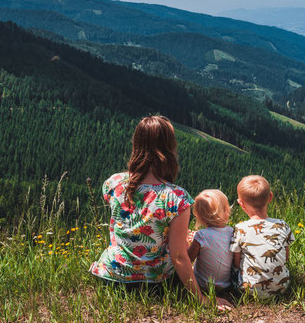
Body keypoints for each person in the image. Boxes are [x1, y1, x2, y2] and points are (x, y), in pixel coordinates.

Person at [89, 115, 231, 310]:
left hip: (112, 277)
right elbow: (179, 257)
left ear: (136, 144)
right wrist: (202, 300)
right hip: (155, 284)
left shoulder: (113, 183)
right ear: (169, 148)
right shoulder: (177, 198)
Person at [230, 175, 294, 297]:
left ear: (241, 204)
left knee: (229, 269)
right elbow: (286, 257)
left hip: (248, 291)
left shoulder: (240, 228)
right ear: (270, 197)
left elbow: (237, 264)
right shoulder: (282, 225)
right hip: (283, 287)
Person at [187, 189, 233, 291]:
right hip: (226, 285)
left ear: (198, 216)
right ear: (227, 210)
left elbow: (189, 258)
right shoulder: (232, 232)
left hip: (203, 285)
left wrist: (186, 241)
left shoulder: (201, 236)